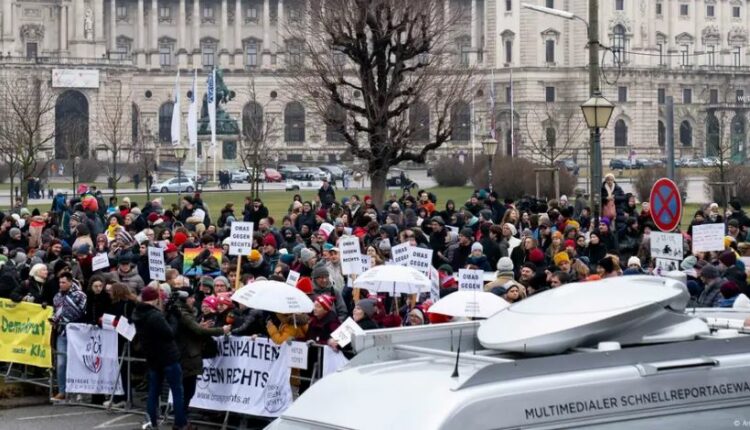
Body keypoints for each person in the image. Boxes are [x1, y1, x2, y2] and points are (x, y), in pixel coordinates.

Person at [131, 286, 188, 430]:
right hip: (167, 357)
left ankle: (152, 422)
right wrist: (174, 319)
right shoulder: (154, 315)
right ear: (155, 299)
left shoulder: (138, 313)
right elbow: (169, 333)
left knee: (153, 391)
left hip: (153, 358)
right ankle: (180, 423)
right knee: (177, 390)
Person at [51, 272, 87, 401]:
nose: (61, 285)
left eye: (63, 282)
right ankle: (62, 390)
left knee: (77, 362)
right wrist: (54, 319)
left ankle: (79, 391)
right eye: (60, 282)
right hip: (62, 333)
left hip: (77, 334)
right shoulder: (57, 297)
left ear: (71, 282)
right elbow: (55, 312)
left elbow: (83, 313)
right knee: (61, 363)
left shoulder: (80, 296)